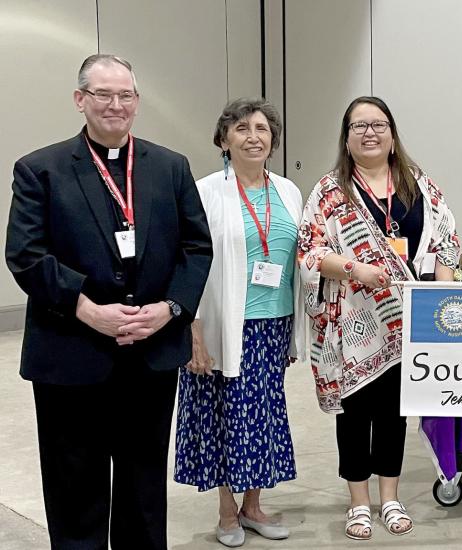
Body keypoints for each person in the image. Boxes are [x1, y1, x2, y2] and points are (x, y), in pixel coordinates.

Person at [5, 54, 212, 549]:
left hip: (151, 355)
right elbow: (26, 255)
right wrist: (86, 308)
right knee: (75, 486)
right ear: (80, 100)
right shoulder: (41, 169)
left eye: (126, 95)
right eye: (103, 94)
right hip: (71, 353)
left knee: (143, 489)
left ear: (137, 102)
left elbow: (197, 247)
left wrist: (172, 308)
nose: (115, 105)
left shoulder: (170, 166)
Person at [297, 96, 460, 540]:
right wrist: (353, 268)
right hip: (351, 323)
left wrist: (440, 295)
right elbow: (309, 250)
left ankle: (389, 496)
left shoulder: (420, 187)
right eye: (358, 126)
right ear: (346, 139)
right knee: (354, 414)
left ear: (392, 135)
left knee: (394, 413)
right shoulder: (329, 192)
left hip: (408, 322)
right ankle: (358, 503)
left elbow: (446, 241)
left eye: (378, 124)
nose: (369, 132)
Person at [174, 98, 305, 547]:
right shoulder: (206, 191)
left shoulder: (288, 191)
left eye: (263, 129)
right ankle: (227, 512)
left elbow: (296, 260)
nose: (254, 137)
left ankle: (254, 506)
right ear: (224, 139)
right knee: (226, 418)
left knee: (263, 417)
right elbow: (183, 263)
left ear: (274, 139)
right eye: (243, 129)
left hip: (273, 324)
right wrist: (191, 332)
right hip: (222, 326)